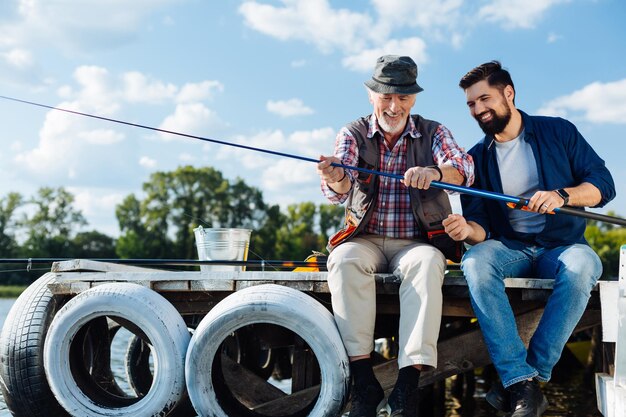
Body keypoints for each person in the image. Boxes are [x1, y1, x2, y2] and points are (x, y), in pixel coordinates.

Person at [443, 61, 616, 417]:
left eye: (484, 98)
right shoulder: (474, 159)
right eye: (472, 104)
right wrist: (466, 230)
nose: (478, 109)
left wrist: (562, 195)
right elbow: (480, 229)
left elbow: (603, 184)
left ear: (509, 93)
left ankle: (523, 379)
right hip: (510, 248)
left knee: (585, 265)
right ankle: (523, 381)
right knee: (475, 262)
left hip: (562, 247)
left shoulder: (559, 132)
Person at [317, 55, 474, 417]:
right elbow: (341, 188)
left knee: (429, 262)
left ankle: (407, 386)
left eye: (402, 97)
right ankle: (363, 380)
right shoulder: (352, 132)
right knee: (343, 259)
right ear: (371, 94)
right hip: (365, 239)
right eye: (386, 96)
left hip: (416, 243)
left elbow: (464, 168)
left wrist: (436, 172)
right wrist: (334, 176)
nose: (393, 105)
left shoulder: (434, 131)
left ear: (413, 99)